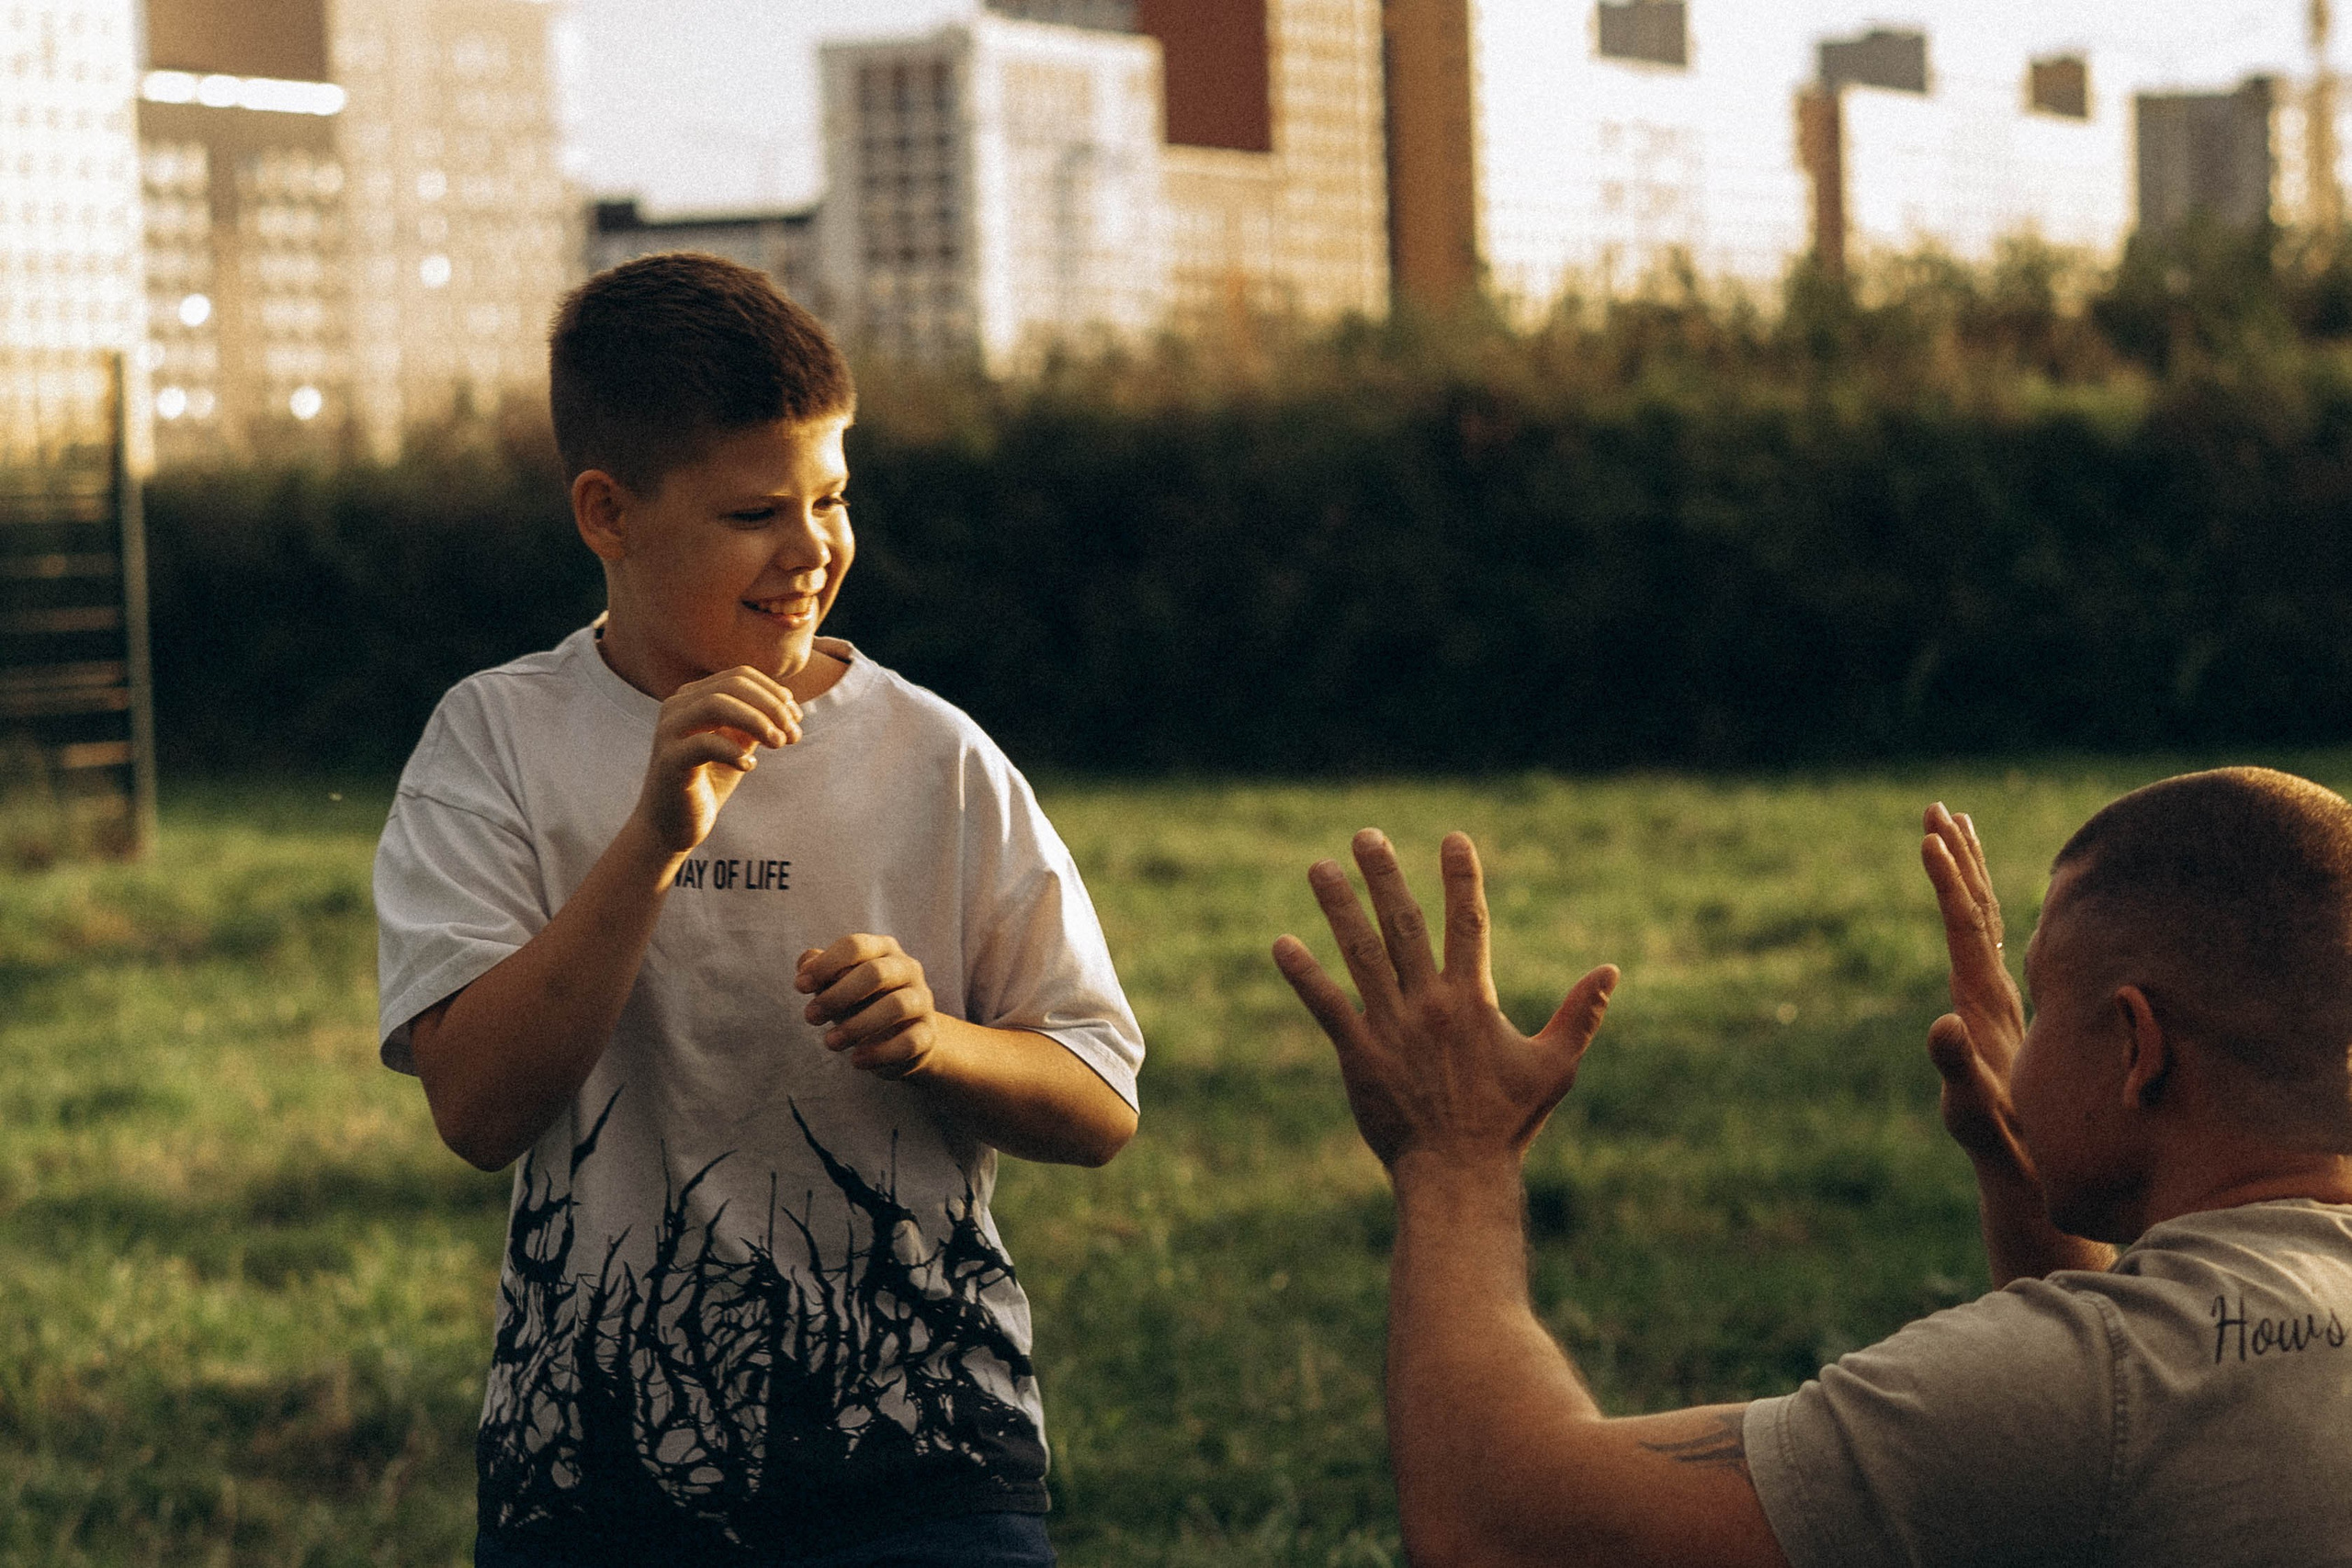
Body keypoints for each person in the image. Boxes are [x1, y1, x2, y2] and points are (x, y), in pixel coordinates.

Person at [372, 254, 1144, 1567]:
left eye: (831, 496)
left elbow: (1101, 1099)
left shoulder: (936, 756)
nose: (812, 551)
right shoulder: (496, 739)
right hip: (594, 1466)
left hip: (926, 1452)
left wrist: (937, 1040)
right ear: (606, 513)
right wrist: (654, 841)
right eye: (752, 514)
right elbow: (478, 1108)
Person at [1273, 767, 2352, 1568]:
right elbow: (2072, 1489)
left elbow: (1501, 1524)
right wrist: (2025, 1180)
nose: (2018, 1049)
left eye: (2046, 1002)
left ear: (2134, 1047)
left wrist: (1454, 1153)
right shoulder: (2165, 1368)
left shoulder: (2109, 1384)